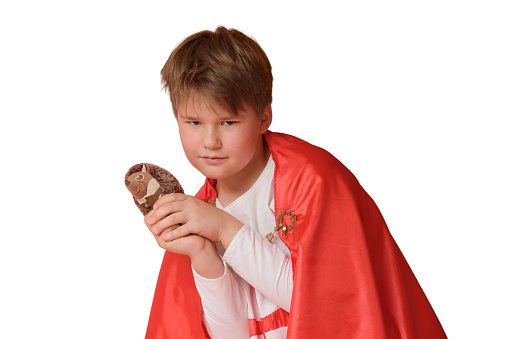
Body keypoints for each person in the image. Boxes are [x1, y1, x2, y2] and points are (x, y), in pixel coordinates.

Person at [143, 26, 447, 338]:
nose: (210, 141)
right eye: (193, 122)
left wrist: (224, 229)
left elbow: (332, 308)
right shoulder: (200, 210)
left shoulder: (313, 180)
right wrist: (203, 256)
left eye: (228, 122)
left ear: (263, 117)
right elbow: (232, 333)